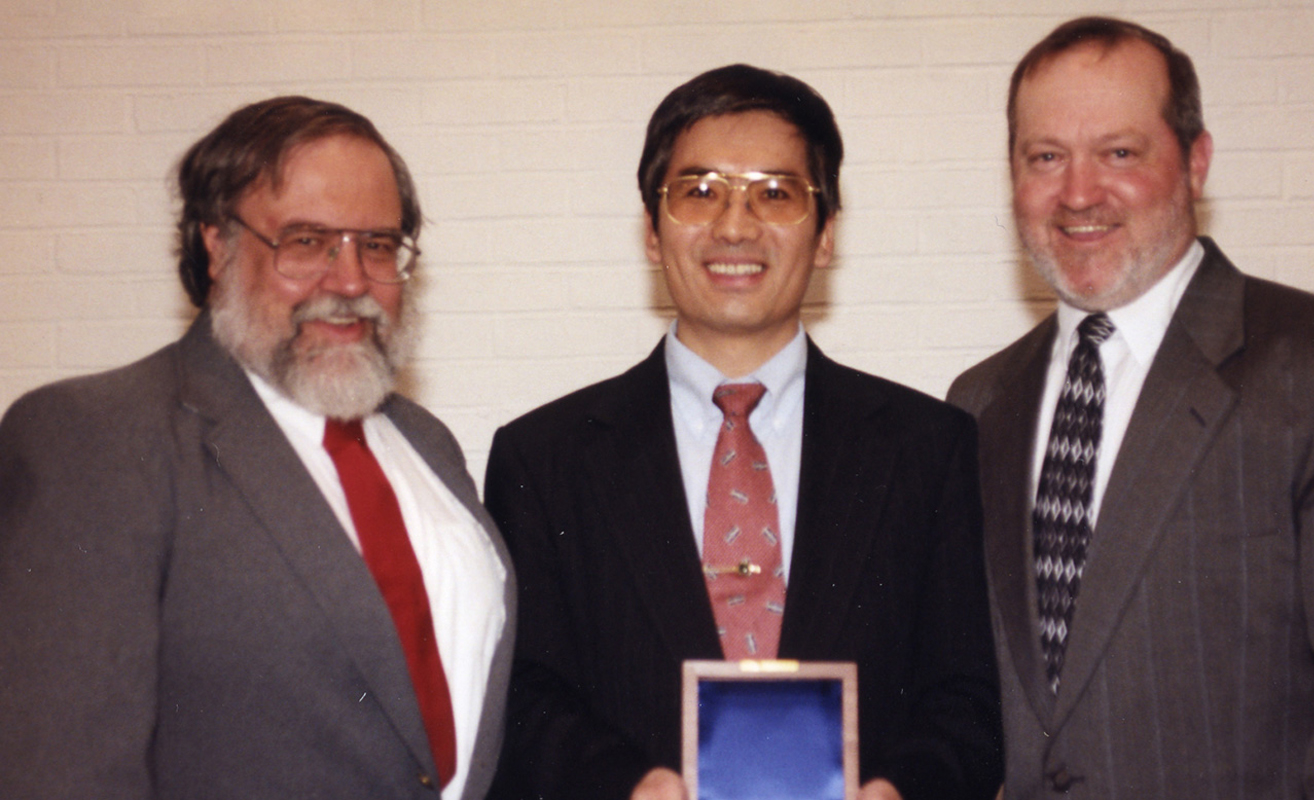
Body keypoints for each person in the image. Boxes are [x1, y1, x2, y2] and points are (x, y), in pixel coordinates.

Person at [947, 16, 1314, 798]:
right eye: (1046, 157)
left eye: (1119, 153)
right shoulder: (978, 402)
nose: (1079, 193)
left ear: (1195, 161)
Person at [484, 64, 1002, 800]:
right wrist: (630, 789)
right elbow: (523, 698)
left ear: (826, 236)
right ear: (652, 234)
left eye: (775, 194)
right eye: (698, 192)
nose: (735, 224)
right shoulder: (543, 459)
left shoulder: (929, 447)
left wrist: (900, 791)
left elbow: (969, 700)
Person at [0, 96, 514, 800]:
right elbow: (61, 776)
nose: (351, 281)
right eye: (307, 242)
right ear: (216, 245)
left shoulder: (427, 444)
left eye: (377, 245)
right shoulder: (96, 439)